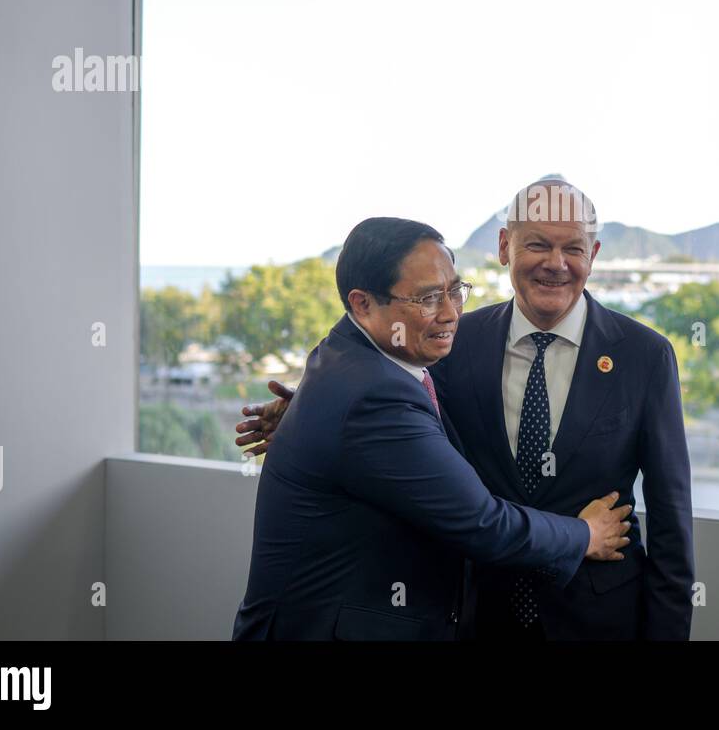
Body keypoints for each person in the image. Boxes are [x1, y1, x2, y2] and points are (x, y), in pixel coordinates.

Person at [240, 181, 695, 640]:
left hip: (598, 623)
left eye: (573, 248)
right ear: (504, 246)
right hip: (477, 618)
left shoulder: (644, 355)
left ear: (593, 254)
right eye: (537, 244)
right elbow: (389, 402)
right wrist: (315, 417)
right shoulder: (454, 342)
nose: (556, 264)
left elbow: (671, 518)